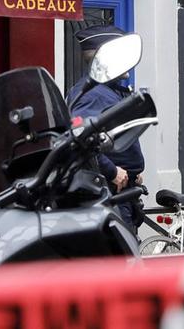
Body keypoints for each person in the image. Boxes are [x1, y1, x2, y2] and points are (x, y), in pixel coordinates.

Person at [66, 24, 145, 234]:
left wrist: (132, 171)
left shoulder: (110, 91)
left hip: (122, 190)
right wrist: (112, 171)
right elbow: (78, 138)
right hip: (108, 192)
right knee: (122, 261)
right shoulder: (93, 94)